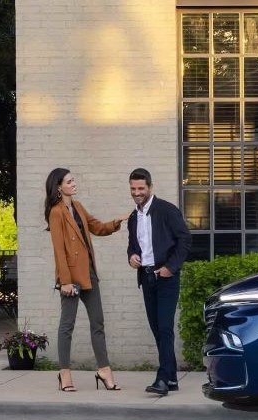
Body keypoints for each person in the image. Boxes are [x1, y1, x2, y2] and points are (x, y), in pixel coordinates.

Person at [43, 168, 127, 391]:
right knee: (67, 326)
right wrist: (65, 281)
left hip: (89, 274)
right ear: (59, 187)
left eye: (73, 180)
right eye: (69, 181)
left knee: (97, 323)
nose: (74, 183)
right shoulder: (56, 212)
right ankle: (65, 374)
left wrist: (115, 222)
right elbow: (59, 250)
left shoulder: (77, 207)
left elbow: (96, 227)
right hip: (71, 278)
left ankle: (104, 371)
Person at [125, 168, 191, 396]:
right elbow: (134, 246)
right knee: (157, 329)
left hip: (166, 278)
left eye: (141, 188)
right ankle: (171, 377)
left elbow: (184, 239)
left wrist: (170, 268)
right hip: (146, 277)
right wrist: (132, 256)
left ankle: (163, 379)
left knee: (164, 327)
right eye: (133, 189)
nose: (137, 193)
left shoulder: (167, 210)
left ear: (150, 187)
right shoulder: (133, 217)